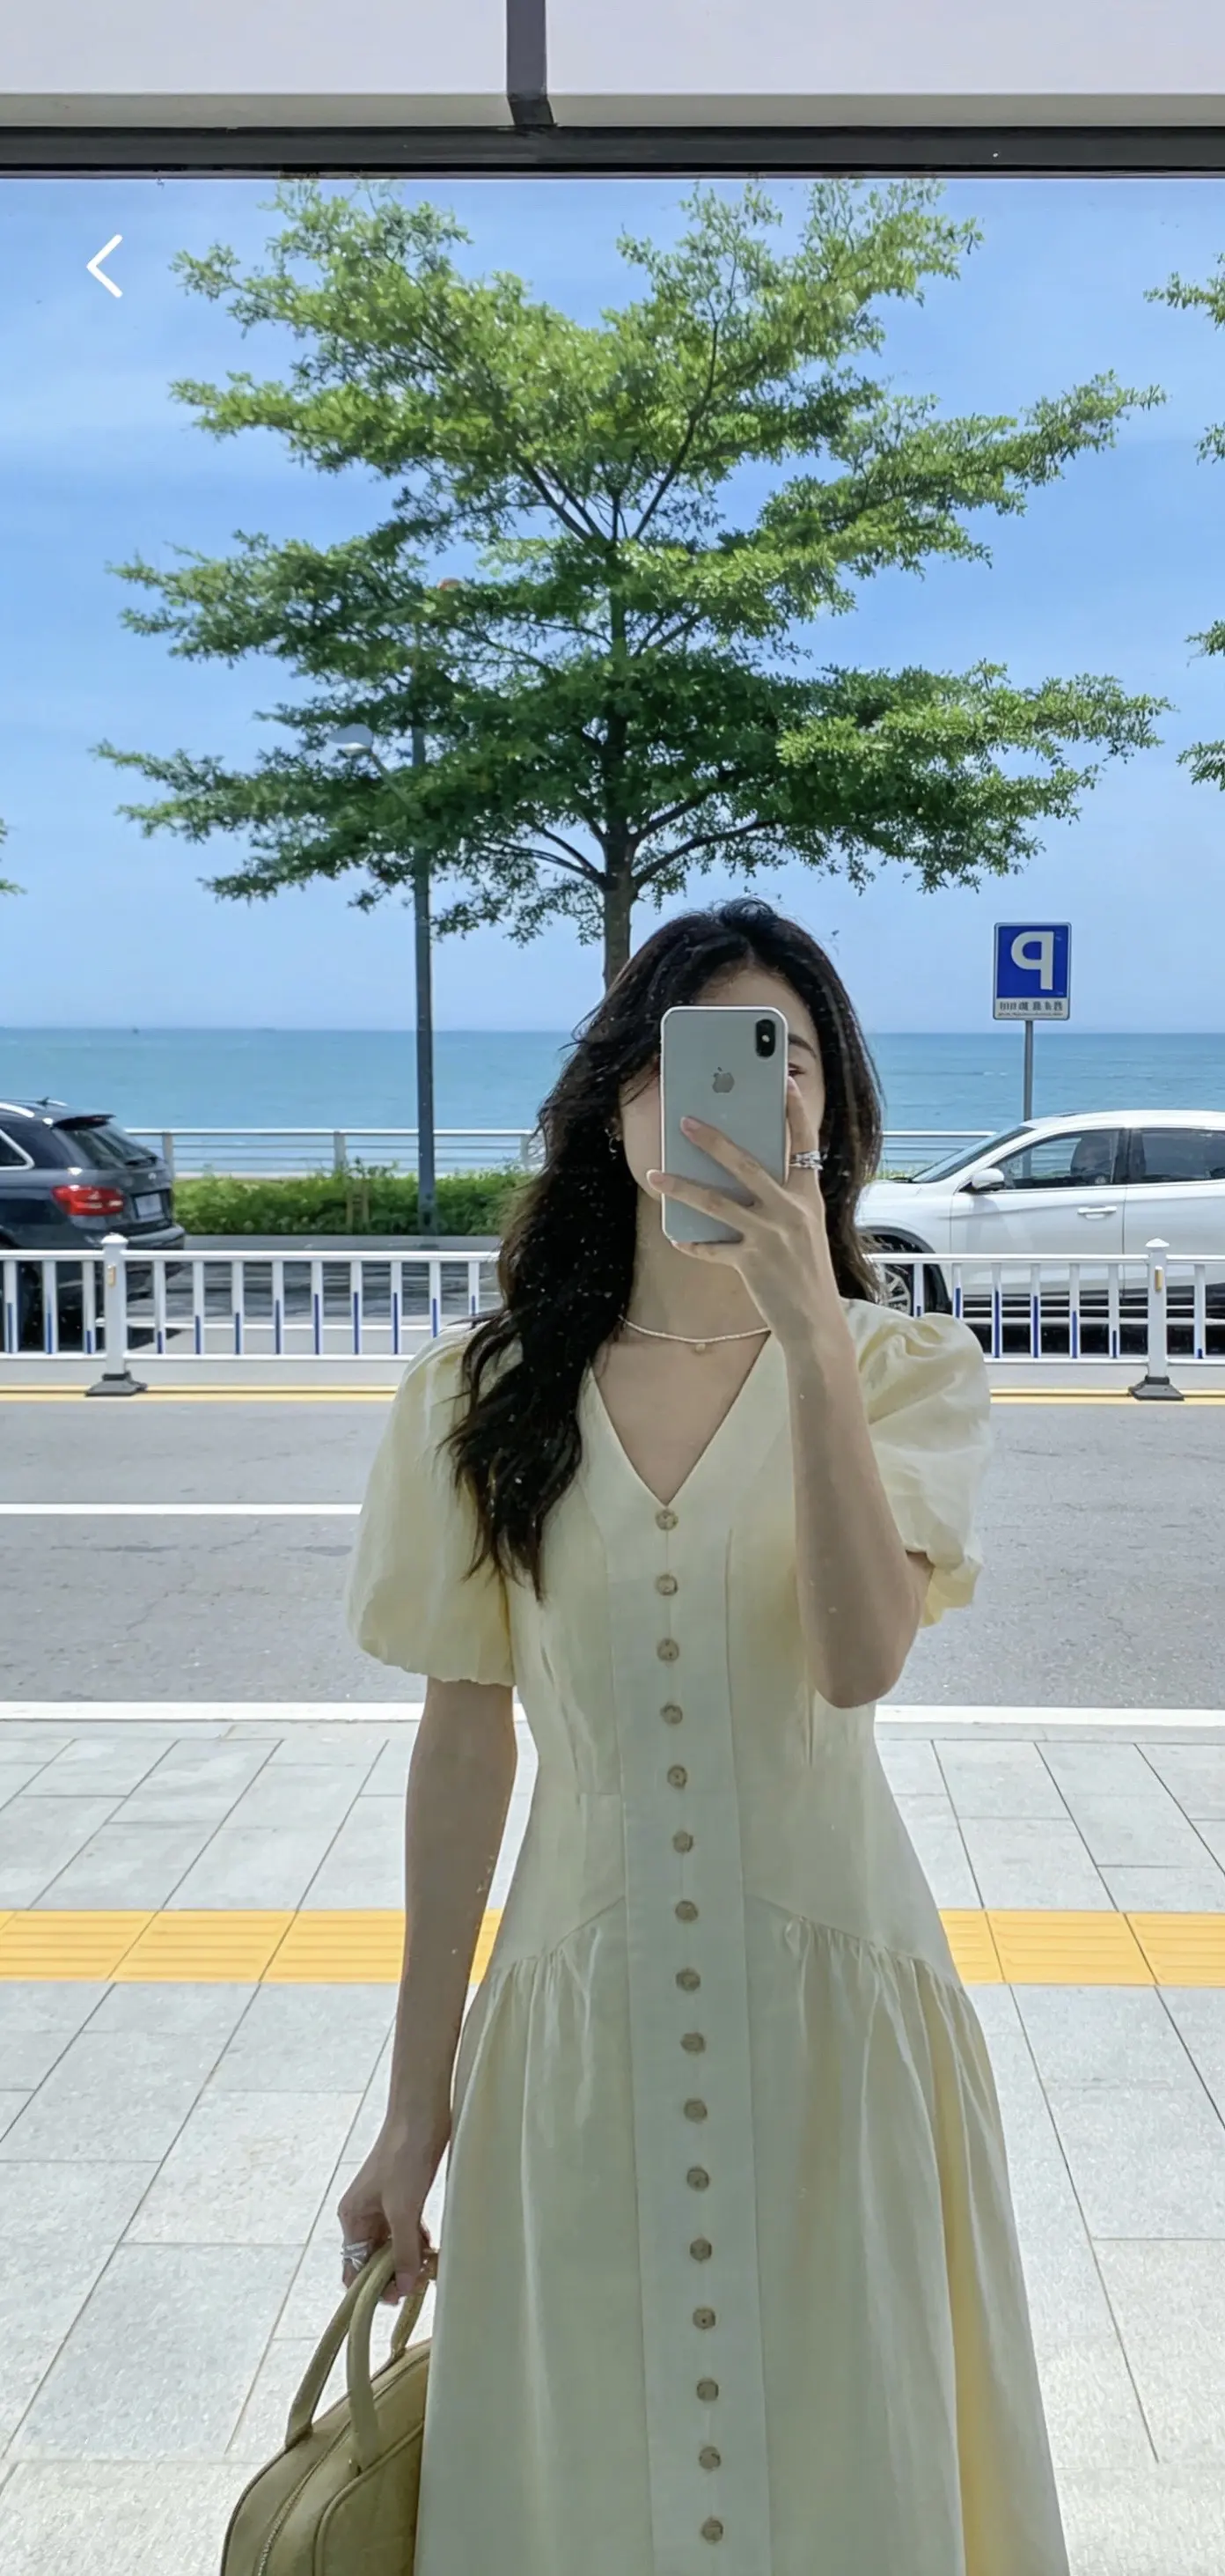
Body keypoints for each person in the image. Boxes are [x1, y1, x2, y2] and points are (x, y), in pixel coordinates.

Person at [340, 897, 1070, 2576]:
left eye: (788, 1056)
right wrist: (413, 2106)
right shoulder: (479, 1393)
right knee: (584, 2487)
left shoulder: (904, 1366)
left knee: (850, 2466)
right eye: (698, 1054)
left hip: (837, 2025)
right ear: (617, 1102)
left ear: (831, 1113)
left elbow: (859, 1657)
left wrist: (809, 1333)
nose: (749, 1087)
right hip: (577, 2024)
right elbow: (464, 1750)